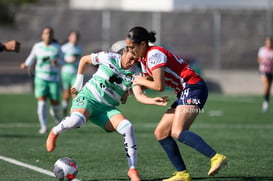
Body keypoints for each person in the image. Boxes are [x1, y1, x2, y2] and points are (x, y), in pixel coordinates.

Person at [46, 48, 168, 181]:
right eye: (130, 58)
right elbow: (84, 60)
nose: (132, 62)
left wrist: (152, 100)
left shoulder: (136, 74)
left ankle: (132, 170)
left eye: (135, 60)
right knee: (77, 121)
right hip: (88, 99)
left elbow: (139, 95)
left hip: (107, 109)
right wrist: (78, 83)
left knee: (128, 127)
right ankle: (55, 131)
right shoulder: (108, 58)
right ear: (124, 52)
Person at [125, 26, 227, 181]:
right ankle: (182, 174)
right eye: (128, 47)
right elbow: (149, 82)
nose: (130, 51)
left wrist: (139, 81)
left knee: (177, 131)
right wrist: (129, 91)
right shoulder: (143, 59)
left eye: (132, 47)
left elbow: (159, 86)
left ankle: (216, 157)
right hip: (184, 91)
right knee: (161, 132)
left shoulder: (154, 54)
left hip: (193, 87)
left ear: (143, 44)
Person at [20, 26, 64, 134]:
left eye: (50, 33)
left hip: (54, 79)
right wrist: (25, 64)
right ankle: (43, 126)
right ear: (42, 35)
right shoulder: (37, 46)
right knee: (42, 104)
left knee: (55, 106)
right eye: (46, 33)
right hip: (40, 79)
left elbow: (63, 61)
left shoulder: (57, 47)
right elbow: (32, 57)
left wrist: (57, 62)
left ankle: (54, 114)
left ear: (52, 35)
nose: (48, 35)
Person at [61, 31, 83, 116]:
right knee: (66, 94)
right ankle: (64, 108)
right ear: (69, 38)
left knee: (75, 93)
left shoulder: (79, 48)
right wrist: (69, 60)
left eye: (76, 37)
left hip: (76, 74)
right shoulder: (64, 48)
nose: (74, 39)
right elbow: (60, 59)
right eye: (73, 37)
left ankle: (75, 112)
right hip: (66, 73)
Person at [257, 36, 273, 112]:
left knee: (269, 88)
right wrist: (263, 62)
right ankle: (265, 104)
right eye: (267, 41)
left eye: (270, 42)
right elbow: (259, 59)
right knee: (266, 85)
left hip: (271, 71)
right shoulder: (262, 50)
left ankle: (266, 101)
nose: (268, 43)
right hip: (263, 70)